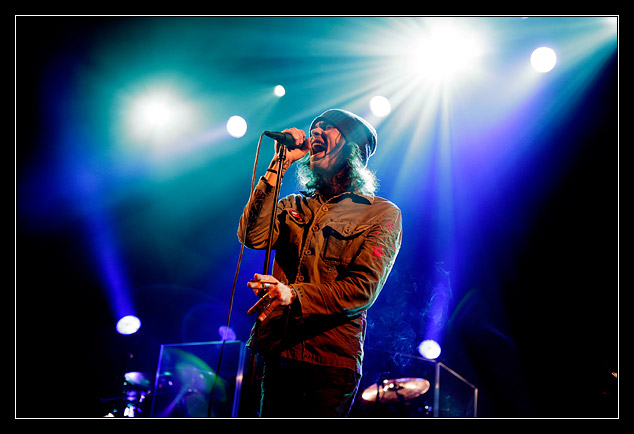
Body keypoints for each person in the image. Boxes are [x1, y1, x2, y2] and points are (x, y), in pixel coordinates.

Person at [237, 109, 402, 417]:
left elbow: (362, 290)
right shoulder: (293, 205)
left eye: (328, 127)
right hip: (276, 350)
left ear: (353, 149)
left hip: (328, 362)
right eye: (315, 127)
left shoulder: (381, 214)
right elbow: (251, 235)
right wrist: (280, 163)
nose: (316, 132)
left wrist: (293, 294)